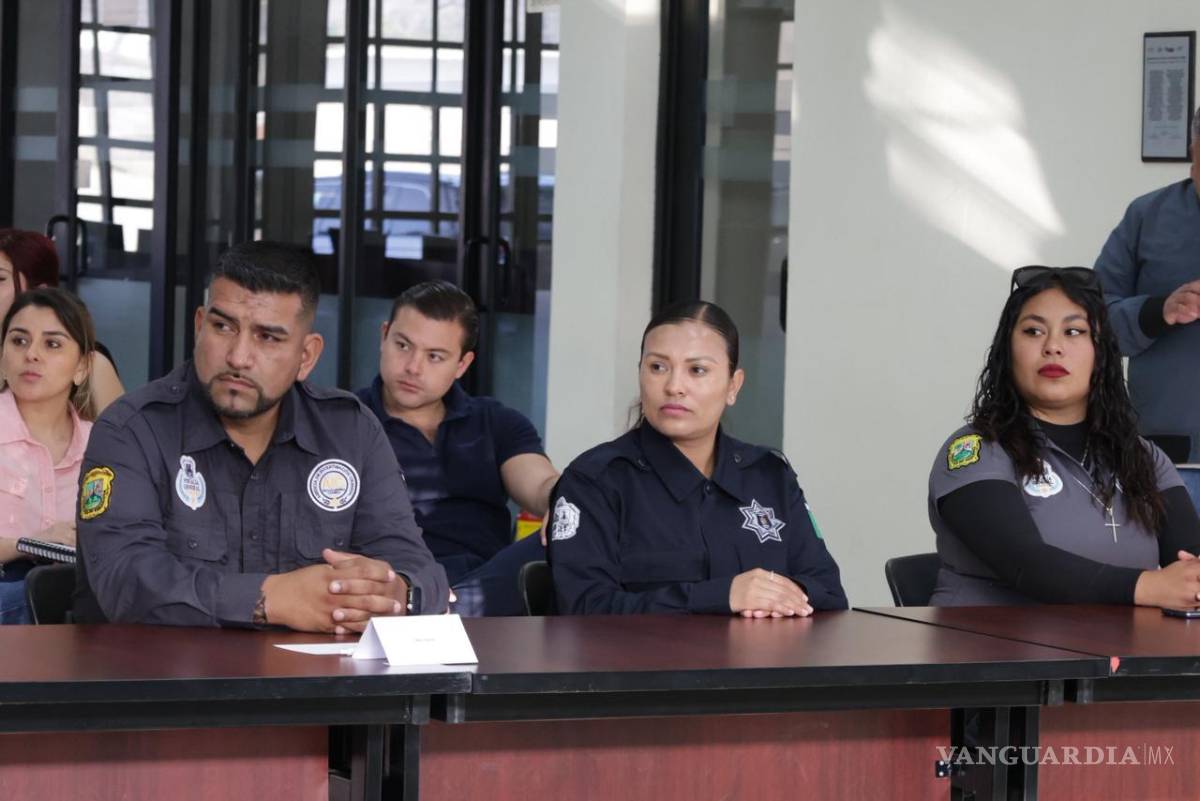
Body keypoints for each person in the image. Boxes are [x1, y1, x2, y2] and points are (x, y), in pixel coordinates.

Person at [74, 242, 448, 630]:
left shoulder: (350, 432)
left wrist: (395, 593)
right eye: (223, 327)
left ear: (307, 356)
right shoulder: (132, 430)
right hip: (164, 683)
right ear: (199, 325)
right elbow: (125, 580)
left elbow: (416, 565)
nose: (238, 356)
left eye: (268, 338)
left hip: (312, 684)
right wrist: (268, 599)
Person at [548, 300, 847, 616]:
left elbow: (827, 591)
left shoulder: (769, 474)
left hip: (763, 662)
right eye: (657, 367)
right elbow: (582, 609)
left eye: (697, 370)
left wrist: (777, 598)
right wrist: (722, 596)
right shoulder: (596, 480)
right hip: (646, 666)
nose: (674, 386)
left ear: (733, 386)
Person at [928, 266, 1200, 607]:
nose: (1053, 346)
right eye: (1032, 331)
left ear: (1101, 353)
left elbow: (1190, 557)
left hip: (1115, 654)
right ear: (1007, 352)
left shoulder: (1143, 456)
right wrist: (1149, 587)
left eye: (1073, 331)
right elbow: (1027, 564)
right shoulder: (976, 450)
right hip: (986, 653)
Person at [356, 281, 558, 616]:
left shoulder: (496, 422)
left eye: (434, 356)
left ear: (462, 364)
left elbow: (538, 483)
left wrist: (560, 499)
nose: (413, 367)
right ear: (384, 335)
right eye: (403, 345)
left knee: (566, 536)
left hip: (487, 583)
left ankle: (444, 610)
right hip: (396, 586)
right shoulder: (346, 420)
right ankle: (437, 609)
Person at [1094, 106, 1200, 463]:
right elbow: (1091, 321)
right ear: (1193, 148)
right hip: (1168, 456)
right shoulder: (1146, 217)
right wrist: (1159, 311)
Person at [0, 288, 97, 624]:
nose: (32, 355)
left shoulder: (104, 446)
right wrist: (27, 544)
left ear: (82, 367)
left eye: (52, 344)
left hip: (75, 597)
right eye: (18, 341)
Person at [0, 230, 124, 415]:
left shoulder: (90, 364)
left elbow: (124, 439)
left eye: (0, 279)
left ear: (39, 290)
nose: (31, 355)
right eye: (18, 342)